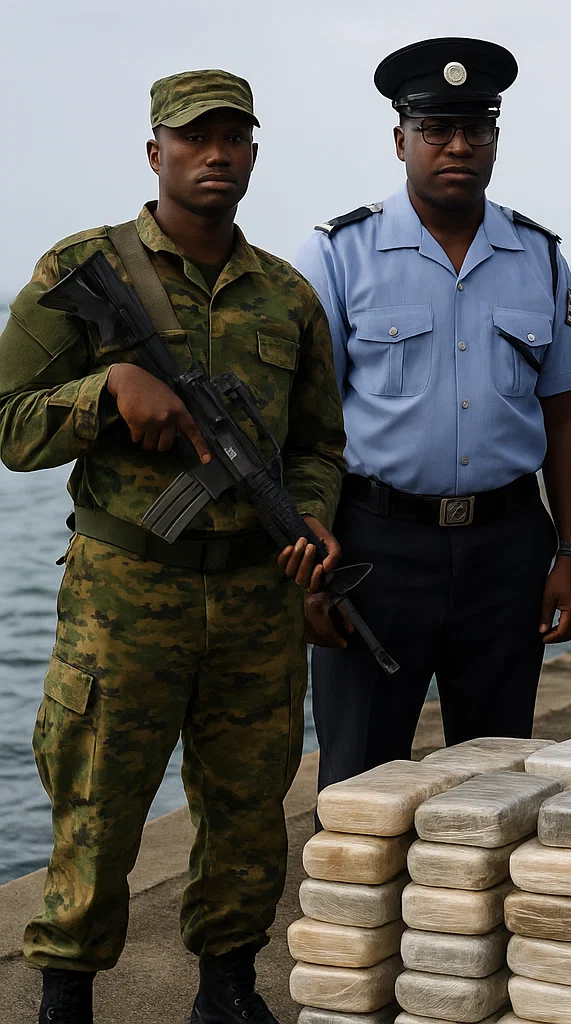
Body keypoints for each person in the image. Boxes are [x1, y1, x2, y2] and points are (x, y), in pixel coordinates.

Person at [0, 71, 346, 1024]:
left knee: (246, 809)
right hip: (125, 593)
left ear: (253, 154)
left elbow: (318, 444)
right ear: (156, 152)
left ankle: (228, 991)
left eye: (234, 139)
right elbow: (6, 423)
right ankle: (65, 995)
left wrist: (312, 515)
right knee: (97, 802)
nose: (217, 155)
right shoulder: (82, 267)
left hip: (252, 602)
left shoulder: (285, 295)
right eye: (196, 139)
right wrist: (105, 389)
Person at [293, 38, 571, 795]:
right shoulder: (338, 255)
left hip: (506, 550)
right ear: (401, 140)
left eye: (476, 129)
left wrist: (570, 554)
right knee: (362, 783)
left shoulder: (540, 257)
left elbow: (565, 419)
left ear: (495, 139)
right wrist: (306, 571)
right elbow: (304, 430)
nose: (458, 145)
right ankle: (361, 920)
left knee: (495, 785)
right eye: (436, 128)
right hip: (374, 550)